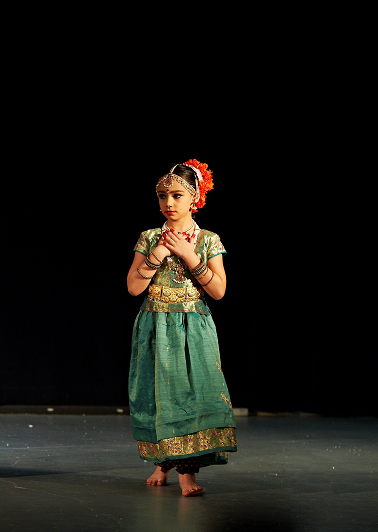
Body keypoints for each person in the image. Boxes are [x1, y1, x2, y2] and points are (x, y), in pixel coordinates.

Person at [125, 160, 236, 497]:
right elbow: (132, 287)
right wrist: (157, 253)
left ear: (194, 198)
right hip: (155, 326)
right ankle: (164, 462)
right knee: (159, 397)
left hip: (194, 327)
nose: (168, 203)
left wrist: (190, 255)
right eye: (162, 196)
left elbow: (218, 291)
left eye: (176, 195)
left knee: (192, 397)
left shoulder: (207, 240)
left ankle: (187, 470)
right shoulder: (148, 238)